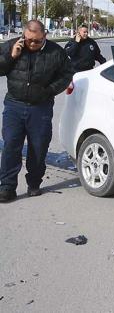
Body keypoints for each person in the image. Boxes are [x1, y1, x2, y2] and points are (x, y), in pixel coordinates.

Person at [0, 20, 74, 202]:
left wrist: (48, 91)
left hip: (40, 108)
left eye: (37, 41)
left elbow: (66, 75)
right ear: (23, 35)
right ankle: (7, 187)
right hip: (14, 106)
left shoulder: (56, 52)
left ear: (44, 36)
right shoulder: (12, 46)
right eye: (29, 40)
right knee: (11, 146)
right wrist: (11, 56)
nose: (32, 44)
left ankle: (34, 183)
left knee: (39, 147)